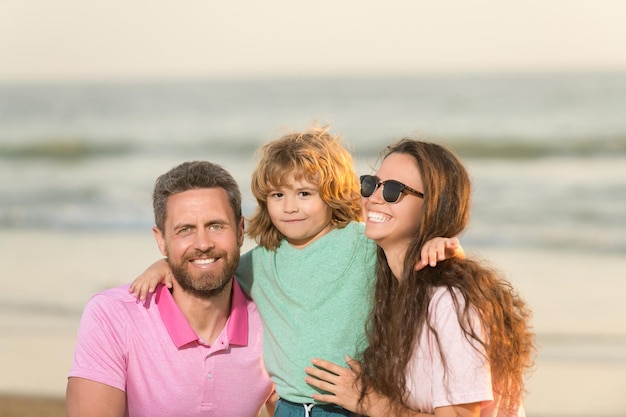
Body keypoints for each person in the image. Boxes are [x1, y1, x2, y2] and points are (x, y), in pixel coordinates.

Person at [129, 127, 463, 417]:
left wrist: (444, 246)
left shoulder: (360, 242)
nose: (289, 206)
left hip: (352, 402)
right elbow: (211, 270)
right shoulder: (261, 262)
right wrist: (164, 266)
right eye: (277, 195)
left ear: (330, 195)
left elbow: (406, 251)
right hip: (288, 406)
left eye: (304, 194)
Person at [303, 139, 535, 417]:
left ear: (432, 208)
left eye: (393, 190)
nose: (374, 198)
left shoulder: (450, 301)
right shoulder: (397, 292)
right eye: (370, 184)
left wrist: (370, 402)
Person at [66, 161, 276, 417]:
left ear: (241, 231)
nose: (203, 244)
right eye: (185, 230)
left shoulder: (272, 322)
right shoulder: (112, 316)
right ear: (161, 241)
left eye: (216, 226)